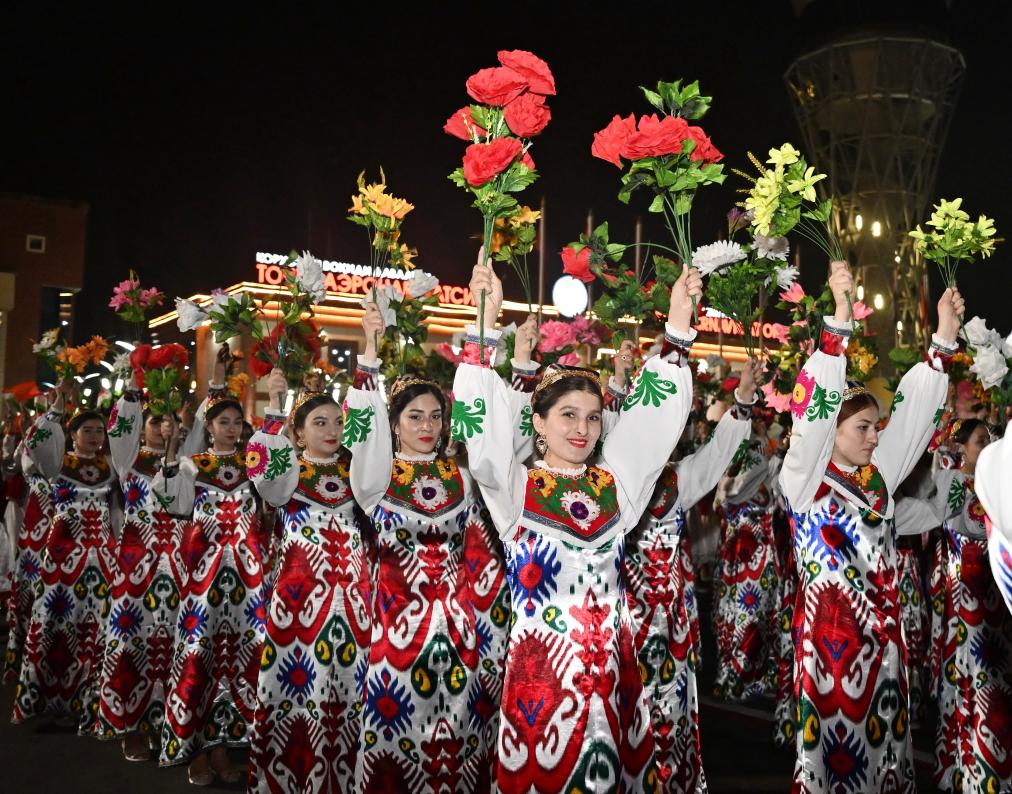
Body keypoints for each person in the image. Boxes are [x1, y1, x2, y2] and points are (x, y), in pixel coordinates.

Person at [452, 251, 701, 793]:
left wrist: (678, 327)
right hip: (541, 683)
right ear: (538, 423)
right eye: (567, 415)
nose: (582, 429)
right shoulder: (517, 490)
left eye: (592, 417)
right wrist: (483, 326)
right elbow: (482, 439)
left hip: (613, 679)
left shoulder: (615, 488)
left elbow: (653, 429)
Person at [778, 260, 962, 793]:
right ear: (832, 430)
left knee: (885, 760)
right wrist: (839, 321)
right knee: (832, 762)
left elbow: (912, 422)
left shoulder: (877, 478)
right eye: (863, 427)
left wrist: (943, 338)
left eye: (875, 427)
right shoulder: (804, 481)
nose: (875, 437)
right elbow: (811, 419)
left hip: (882, 655)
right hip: (827, 658)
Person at [343, 304, 502, 793]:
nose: (426, 425)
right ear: (393, 424)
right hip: (395, 636)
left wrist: (487, 336)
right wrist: (369, 351)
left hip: (458, 633)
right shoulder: (378, 479)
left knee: (457, 741)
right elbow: (359, 434)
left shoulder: (463, 476)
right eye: (414, 417)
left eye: (435, 416)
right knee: (398, 743)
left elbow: (496, 436)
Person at [624, 359, 758, 792]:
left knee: (671, 714)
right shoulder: (606, 478)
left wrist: (742, 400)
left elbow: (716, 456)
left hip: (671, 623)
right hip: (622, 621)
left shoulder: (676, 479)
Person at [245, 369, 372, 794]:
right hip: (300, 602)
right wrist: (274, 406)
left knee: (351, 691)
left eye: (338, 422)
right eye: (319, 423)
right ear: (297, 434)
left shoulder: (358, 472)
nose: (332, 430)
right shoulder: (289, 472)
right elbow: (265, 475)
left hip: (355, 600)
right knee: (302, 692)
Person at [155, 384, 267, 785]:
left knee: (241, 657)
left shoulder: (254, 465)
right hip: (205, 578)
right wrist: (171, 447)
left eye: (237, 422)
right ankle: (197, 750)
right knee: (200, 656)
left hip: (248, 579)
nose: (232, 428)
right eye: (224, 422)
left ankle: (224, 747)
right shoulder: (193, 465)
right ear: (210, 426)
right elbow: (173, 503)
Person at [11, 381, 118, 733]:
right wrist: (56, 410)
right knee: (58, 626)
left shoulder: (111, 467)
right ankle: (50, 700)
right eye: (87, 430)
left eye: (99, 430)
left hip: (101, 559)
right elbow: (32, 449)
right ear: (71, 435)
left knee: (95, 629)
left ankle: (89, 703)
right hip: (61, 558)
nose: (95, 436)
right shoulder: (56, 463)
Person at [95, 378, 189, 761]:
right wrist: (134, 391)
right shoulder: (128, 460)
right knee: (132, 640)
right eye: (154, 422)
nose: (163, 427)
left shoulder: (185, 462)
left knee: (173, 644)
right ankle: (128, 724)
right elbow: (119, 428)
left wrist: (175, 442)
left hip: (178, 563)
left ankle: (165, 720)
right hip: (137, 564)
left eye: (169, 422)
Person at [925, 418, 1012, 793]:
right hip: (968, 606)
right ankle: (969, 769)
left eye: (991, 439)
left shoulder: (994, 485)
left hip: (995, 605)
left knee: (998, 685)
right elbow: (970, 526)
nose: (989, 445)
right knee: (973, 684)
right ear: (961, 448)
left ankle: (993, 765)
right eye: (980, 440)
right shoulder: (956, 484)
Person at [712, 402, 784, 704]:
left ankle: (746, 677)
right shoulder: (754, 455)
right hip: (745, 546)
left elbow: (732, 493)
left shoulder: (763, 457)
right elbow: (731, 492)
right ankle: (741, 676)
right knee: (744, 610)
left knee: (749, 611)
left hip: (752, 547)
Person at [976, 421, 1012, 615]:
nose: (986, 444)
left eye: (986, 440)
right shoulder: (990, 462)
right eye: (980, 441)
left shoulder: (990, 460)